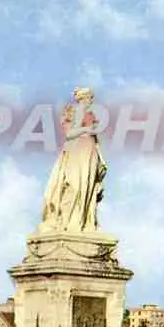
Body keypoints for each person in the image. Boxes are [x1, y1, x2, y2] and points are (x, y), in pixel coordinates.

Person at [39, 87, 107, 234]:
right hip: (76, 151)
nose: (90, 101)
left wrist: (101, 159)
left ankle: (85, 223)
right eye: (88, 98)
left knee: (87, 187)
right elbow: (69, 134)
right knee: (75, 185)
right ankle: (69, 222)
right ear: (82, 99)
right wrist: (86, 130)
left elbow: (96, 139)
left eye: (91, 99)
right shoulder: (74, 112)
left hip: (90, 151)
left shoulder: (91, 115)